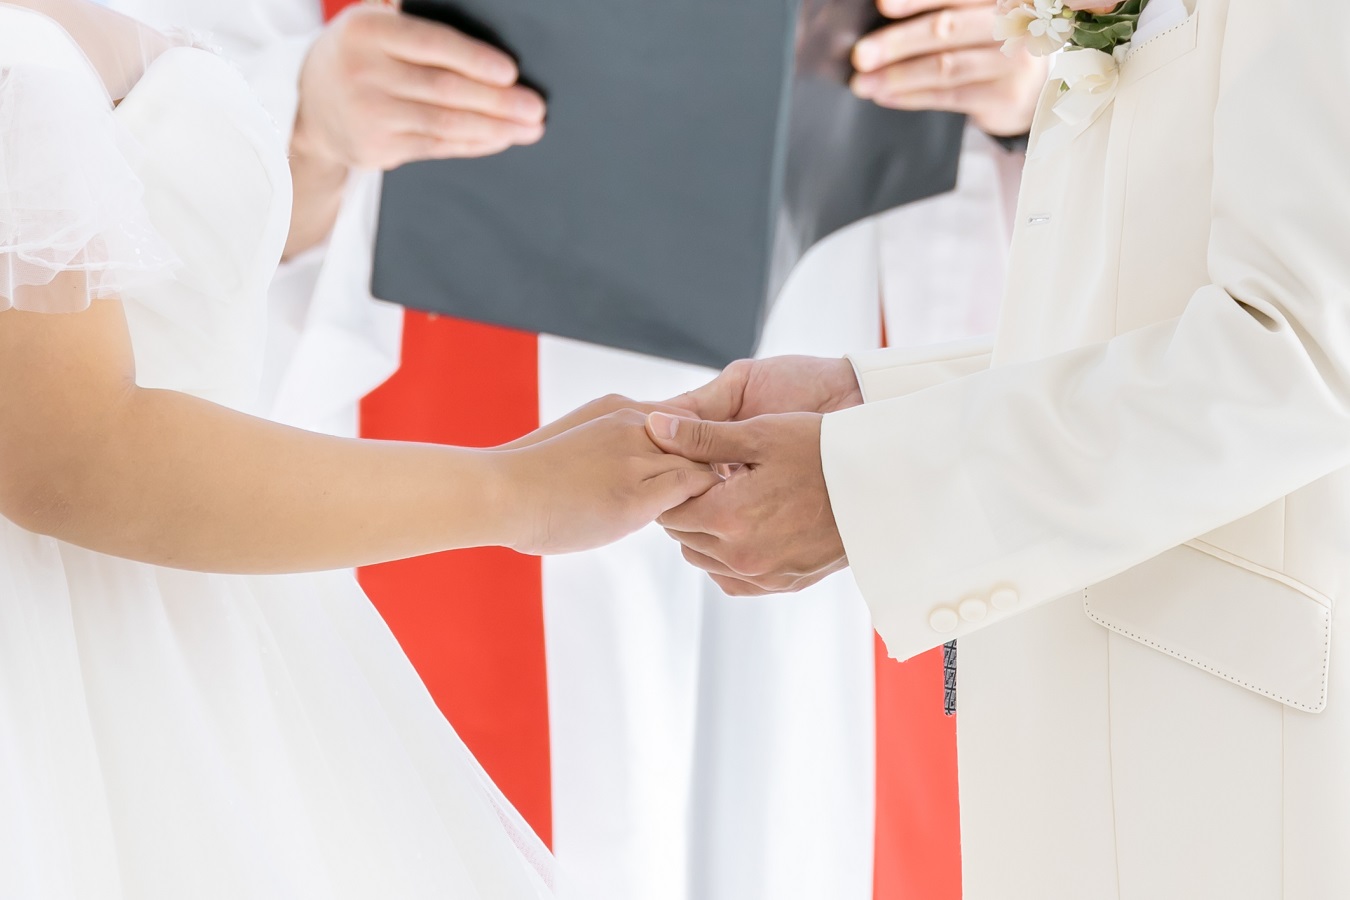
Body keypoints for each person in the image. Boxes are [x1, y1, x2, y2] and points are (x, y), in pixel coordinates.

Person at [106, 1, 1040, 896]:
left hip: (853, 330)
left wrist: (1035, 86)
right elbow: (114, 156)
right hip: (475, 346)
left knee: (817, 810)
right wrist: (307, 120)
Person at [0, 2, 719, 896]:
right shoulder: (20, 61)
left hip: (200, 608)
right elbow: (75, 459)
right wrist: (518, 491)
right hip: (98, 628)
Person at [648, 0, 1350, 897]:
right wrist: (873, 404)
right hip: (1114, 697)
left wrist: (870, 484)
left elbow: (1306, 355)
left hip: (1232, 746)